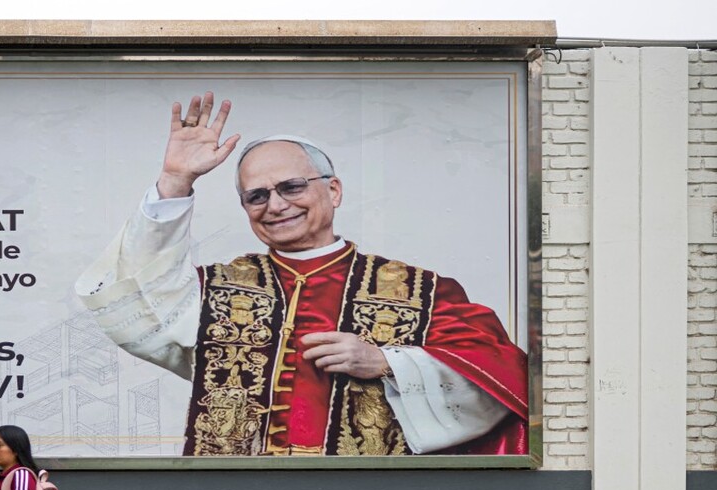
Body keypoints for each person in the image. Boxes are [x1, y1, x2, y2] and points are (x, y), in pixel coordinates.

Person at [76, 92, 528, 456]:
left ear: (333, 190)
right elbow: (135, 295)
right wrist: (176, 181)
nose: (275, 205)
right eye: (256, 196)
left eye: (291, 187)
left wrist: (387, 362)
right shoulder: (212, 290)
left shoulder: (422, 291)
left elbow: (503, 377)